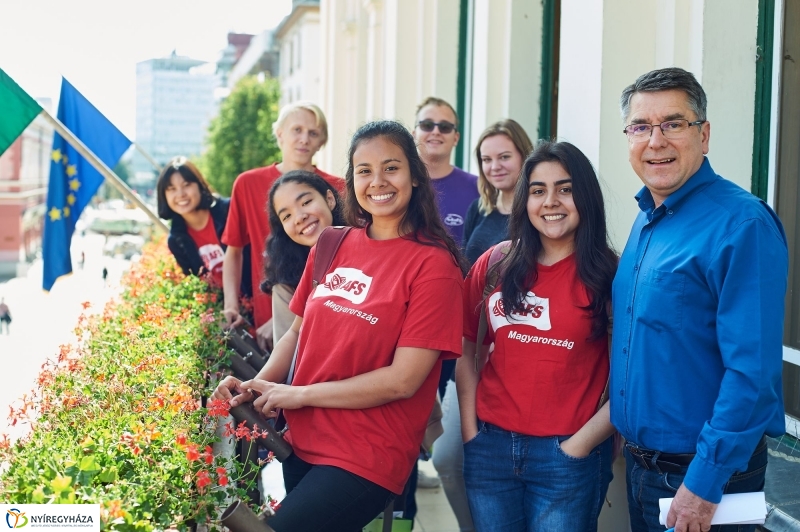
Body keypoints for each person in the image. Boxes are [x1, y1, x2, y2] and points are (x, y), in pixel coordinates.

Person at [212, 120, 465, 532]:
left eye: (391, 168)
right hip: (302, 442)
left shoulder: (434, 265)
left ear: (415, 177)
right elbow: (296, 333)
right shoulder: (332, 243)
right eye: (364, 170)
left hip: (368, 453)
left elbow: (403, 380)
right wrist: (259, 383)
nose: (377, 181)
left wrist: (297, 394)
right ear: (351, 180)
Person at [612, 67, 788, 532]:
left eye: (673, 124)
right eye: (640, 127)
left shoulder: (742, 225)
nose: (656, 141)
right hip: (643, 470)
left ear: (704, 135)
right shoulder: (648, 219)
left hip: (702, 480)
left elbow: (753, 375)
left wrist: (705, 481)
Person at [456, 141, 618, 531]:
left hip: (567, 454)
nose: (551, 202)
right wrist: (470, 432)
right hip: (489, 446)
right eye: (538, 190)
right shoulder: (496, 263)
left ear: (586, 196)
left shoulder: (612, 275)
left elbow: (630, 376)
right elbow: (464, 347)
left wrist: (579, 447)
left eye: (565, 189)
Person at [432, 118, 533, 532]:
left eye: (504, 156)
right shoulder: (482, 208)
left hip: (519, 354)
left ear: (525, 156)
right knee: (447, 459)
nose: (494, 166)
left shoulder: (539, 210)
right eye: (486, 159)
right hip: (471, 350)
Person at [221, 101, 343, 351]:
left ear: (321, 142)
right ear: (280, 134)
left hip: (326, 318)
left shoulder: (338, 187)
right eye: (297, 130)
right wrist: (231, 306)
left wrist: (287, 319)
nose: (304, 139)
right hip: (263, 321)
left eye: (313, 133)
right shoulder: (247, 183)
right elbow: (233, 252)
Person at [410, 96, 478, 502]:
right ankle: (411, 475)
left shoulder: (473, 187)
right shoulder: (402, 182)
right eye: (427, 124)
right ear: (415, 131)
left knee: (445, 397)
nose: (435, 131)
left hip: (457, 321)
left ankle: (430, 456)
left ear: (455, 136)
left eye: (445, 126)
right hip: (407, 318)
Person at [261, 170, 345, 342]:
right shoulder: (286, 286)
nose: (299, 217)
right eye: (287, 216)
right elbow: (290, 354)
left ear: (329, 199)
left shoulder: (371, 247)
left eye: (306, 202)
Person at [156, 156, 250, 296]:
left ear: (200, 185)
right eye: (172, 189)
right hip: (226, 309)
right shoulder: (177, 240)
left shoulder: (229, 211)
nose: (180, 194)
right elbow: (199, 285)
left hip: (258, 295)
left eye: (186, 185)